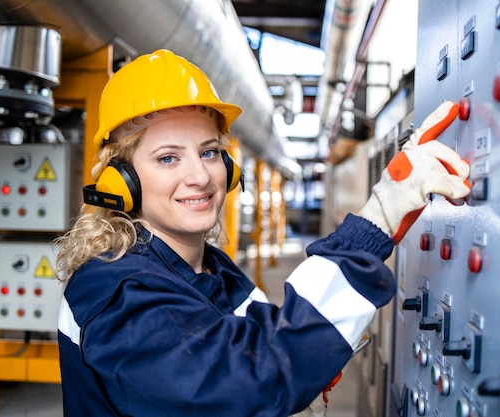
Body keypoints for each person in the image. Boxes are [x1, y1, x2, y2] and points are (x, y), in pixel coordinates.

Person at [55, 48, 470, 417]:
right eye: (167, 158)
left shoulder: (207, 266)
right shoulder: (114, 290)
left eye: (209, 152)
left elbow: (257, 337)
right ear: (119, 181)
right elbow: (242, 384)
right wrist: (376, 219)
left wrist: (306, 359)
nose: (199, 175)